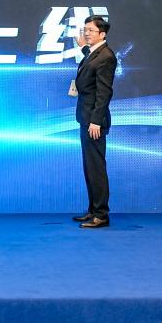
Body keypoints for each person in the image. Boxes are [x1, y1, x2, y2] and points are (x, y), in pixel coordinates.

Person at [70, 15, 117, 229]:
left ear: (102, 34)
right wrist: (83, 48)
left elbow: (104, 92)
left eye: (91, 30)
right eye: (85, 29)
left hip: (94, 122)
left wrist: (96, 121)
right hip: (86, 117)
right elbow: (89, 65)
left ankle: (101, 214)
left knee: (96, 167)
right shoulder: (94, 53)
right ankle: (92, 210)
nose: (86, 33)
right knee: (89, 167)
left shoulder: (106, 56)